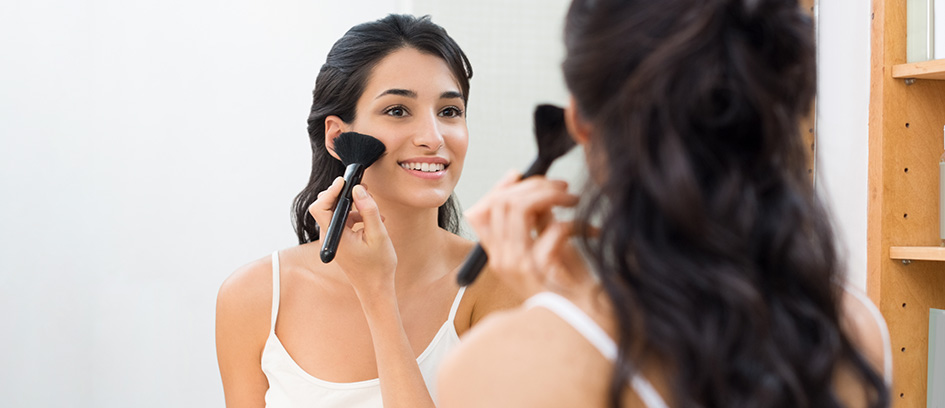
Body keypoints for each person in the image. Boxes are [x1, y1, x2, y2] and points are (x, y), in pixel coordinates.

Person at [438, 0, 892, 407]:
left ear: (578, 119)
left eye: (450, 111)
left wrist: (559, 323)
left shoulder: (503, 368)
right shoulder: (851, 328)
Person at [215, 14, 520, 408]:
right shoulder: (253, 297)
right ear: (338, 137)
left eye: (449, 111)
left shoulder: (496, 284)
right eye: (397, 110)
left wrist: (378, 295)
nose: (433, 137)